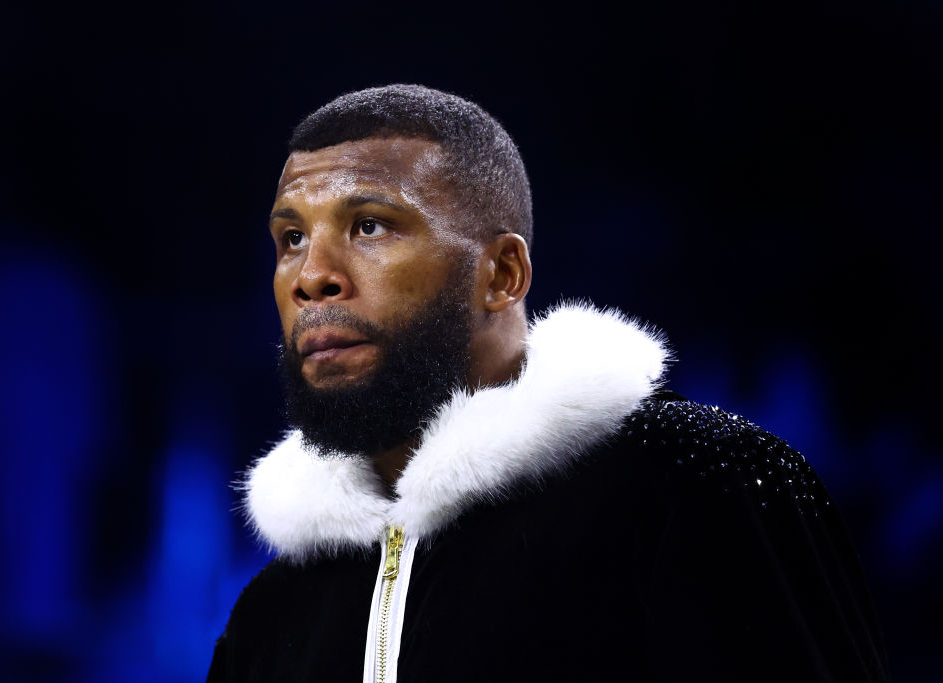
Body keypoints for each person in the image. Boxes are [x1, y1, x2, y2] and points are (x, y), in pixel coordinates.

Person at [207, 84, 889, 682]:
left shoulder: (699, 482)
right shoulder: (270, 615)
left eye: (369, 224)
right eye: (291, 238)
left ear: (503, 275)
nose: (310, 276)